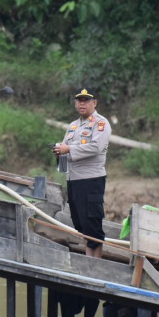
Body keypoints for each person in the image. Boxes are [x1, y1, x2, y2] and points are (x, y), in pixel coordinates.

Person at [53, 87, 112, 258]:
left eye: (86, 100)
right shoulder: (73, 126)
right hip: (74, 179)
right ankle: (88, 258)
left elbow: (96, 147)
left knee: (92, 222)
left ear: (94, 103)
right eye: (79, 100)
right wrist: (59, 152)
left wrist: (68, 148)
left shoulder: (100, 123)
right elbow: (65, 151)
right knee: (80, 222)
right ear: (75, 103)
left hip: (91, 180)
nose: (82, 103)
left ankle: (95, 263)